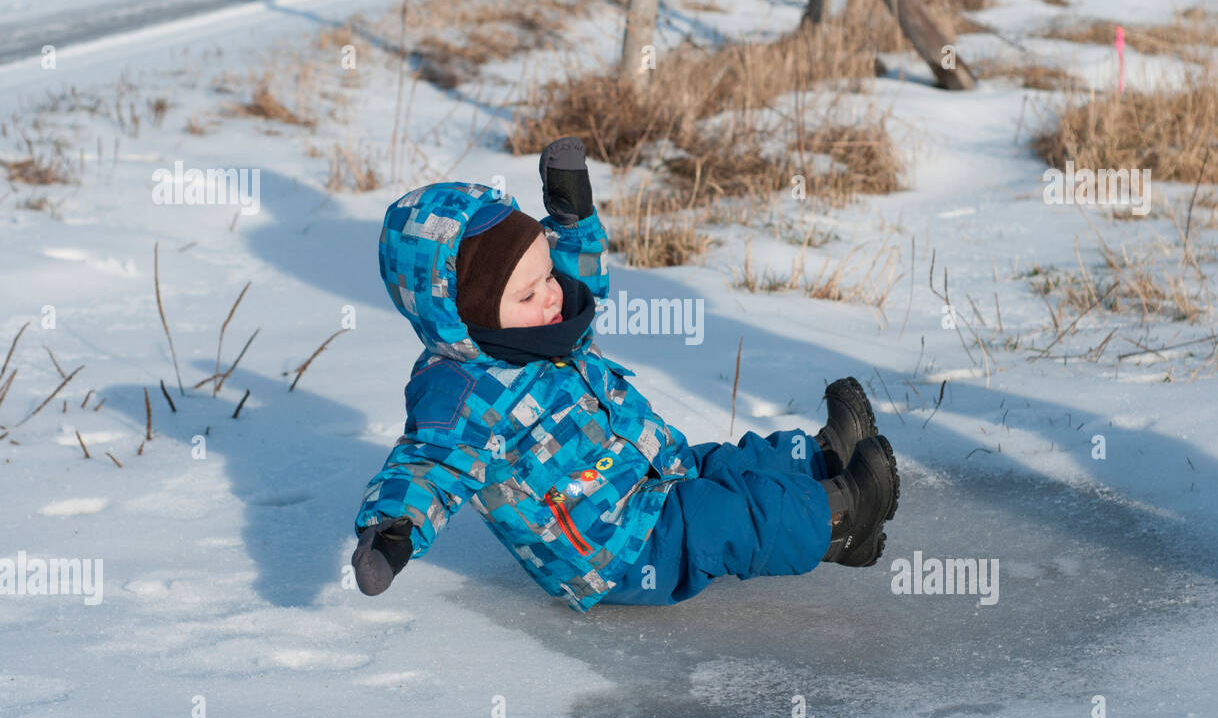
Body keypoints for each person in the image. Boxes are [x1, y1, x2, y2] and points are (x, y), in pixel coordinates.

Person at [350, 137, 900, 612]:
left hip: (656, 471)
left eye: (546, 277)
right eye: (528, 292)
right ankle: (840, 519)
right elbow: (426, 467)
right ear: (462, 314)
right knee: (724, 514)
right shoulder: (461, 395)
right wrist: (392, 530)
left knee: (727, 465)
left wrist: (570, 220)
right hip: (617, 550)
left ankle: (824, 457)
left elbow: (572, 272)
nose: (551, 296)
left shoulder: (538, 324)